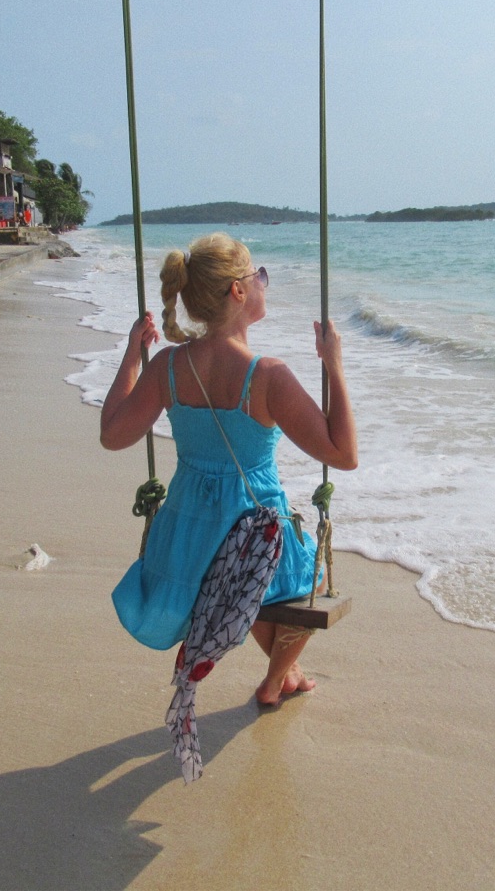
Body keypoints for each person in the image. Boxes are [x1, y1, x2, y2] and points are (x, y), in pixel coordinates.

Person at [100, 232, 357, 706]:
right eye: (258, 274)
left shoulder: (168, 366)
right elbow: (343, 455)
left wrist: (132, 358)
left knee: (253, 583)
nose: (264, 282)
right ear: (238, 291)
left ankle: (285, 675)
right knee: (305, 585)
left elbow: (112, 434)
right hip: (253, 525)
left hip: (187, 539)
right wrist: (334, 365)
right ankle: (274, 679)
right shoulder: (268, 376)